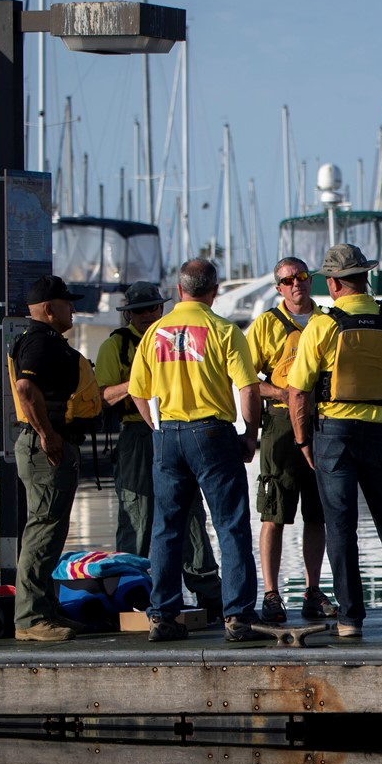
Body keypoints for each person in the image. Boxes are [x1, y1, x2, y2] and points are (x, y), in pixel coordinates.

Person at [282, 244, 382, 639]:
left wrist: (302, 441)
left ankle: (350, 619)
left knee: (341, 527)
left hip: (334, 435)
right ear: (365, 278)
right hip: (379, 434)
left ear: (332, 283)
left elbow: (298, 391)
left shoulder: (323, 325)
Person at [127, 258, 264, 643]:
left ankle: (163, 616)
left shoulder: (154, 332)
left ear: (178, 289)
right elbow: (248, 388)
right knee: (231, 527)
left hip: (168, 433)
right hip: (212, 433)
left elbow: (138, 391)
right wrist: (250, 435)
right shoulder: (223, 330)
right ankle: (237, 617)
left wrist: (158, 428)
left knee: (166, 529)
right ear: (215, 289)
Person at [94, 280, 222, 614]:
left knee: (191, 512)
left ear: (162, 307)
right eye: (138, 311)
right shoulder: (117, 346)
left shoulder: (175, 337)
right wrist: (138, 378)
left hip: (177, 429)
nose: (146, 315)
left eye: (151, 308)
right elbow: (102, 396)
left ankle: (207, 590)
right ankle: (129, 591)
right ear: (128, 315)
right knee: (138, 513)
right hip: (137, 434)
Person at [9, 274, 103, 642]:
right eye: (67, 303)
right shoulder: (40, 342)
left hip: (53, 442)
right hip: (46, 445)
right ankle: (31, 619)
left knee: (50, 530)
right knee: (43, 529)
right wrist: (48, 435)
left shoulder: (46, 341)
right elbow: (24, 387)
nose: (73, 309)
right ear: (49, 309)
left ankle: (45, 610)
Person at [245, 257, 337, 623]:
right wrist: (283, 392)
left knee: (318, 514)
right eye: (288, 280)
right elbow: (246, 378)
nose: (296, 284)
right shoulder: (266, 325)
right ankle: (271, 594)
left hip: (321, 420)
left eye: (301, 277)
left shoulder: (327, 320)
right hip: (281, 424)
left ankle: (313, 591)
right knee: (274, 513)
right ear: (279, 287)